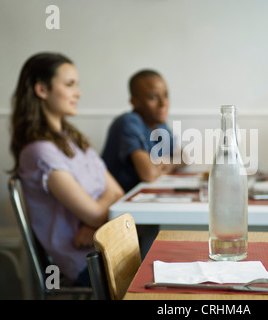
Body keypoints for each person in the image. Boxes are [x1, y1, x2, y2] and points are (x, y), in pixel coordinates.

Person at [10, 53, 124, 286]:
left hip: (103, 247)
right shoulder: (39, 152)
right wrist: (95, 216)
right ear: (42, 90)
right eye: (70, 85)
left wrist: (91, 224)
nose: (78, 93)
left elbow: (118, 193)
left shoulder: (73, 138)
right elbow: (97, 209)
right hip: (84, 261)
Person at [101, 69, 183, 256]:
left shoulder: (159, 124)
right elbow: (148, 173)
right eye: (154, 97)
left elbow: (183, 156)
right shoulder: (128, 122)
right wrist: (162, 165)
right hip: (116, 217)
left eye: (166, 95)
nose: (163, 103)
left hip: (139, 212)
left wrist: (165, 164)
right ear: (134, 102)